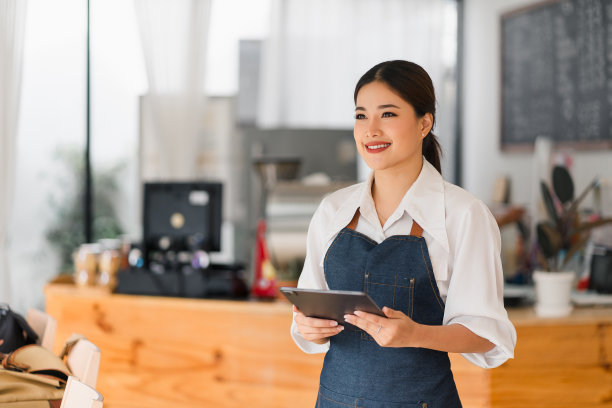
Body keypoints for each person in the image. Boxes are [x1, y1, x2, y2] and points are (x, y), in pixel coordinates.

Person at [291, 60, 517, 408]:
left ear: (425, 123)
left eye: (389, 115)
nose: (371, 130)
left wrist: (416, 334)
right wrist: (308, 328)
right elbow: (308, 312)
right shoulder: (332, 210)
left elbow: (488, 336)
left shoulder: (463, 215)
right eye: (361, 115)